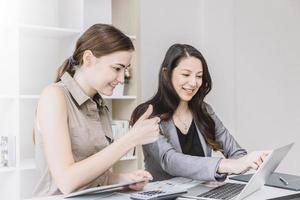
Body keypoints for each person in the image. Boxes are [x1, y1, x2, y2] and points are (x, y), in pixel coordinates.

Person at [33, 24, 161, 197]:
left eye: (125, 70)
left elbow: (96, 177)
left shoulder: (99, 105)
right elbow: (67, 181)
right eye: (117, 68)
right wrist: (131, 139)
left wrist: (124, 179)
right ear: (88, 59)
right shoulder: (54, 96)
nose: (122, 79)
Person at [130, 43, 268, 182]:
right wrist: (224, 165)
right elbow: (170, 161)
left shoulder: (204, 111)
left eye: (199, 76)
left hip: (202, 193)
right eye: (186, 74)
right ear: (166, 74)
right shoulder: (147, 115)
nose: (193, 83)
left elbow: (237, 153)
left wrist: (248, 161)